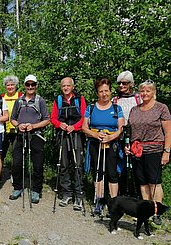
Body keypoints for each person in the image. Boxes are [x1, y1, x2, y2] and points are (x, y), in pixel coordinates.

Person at [127, 80, 171, 225]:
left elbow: (168, 132)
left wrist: (167, 151)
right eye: (142, 91)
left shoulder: (161, 108)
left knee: (154, 182)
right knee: (143, 182)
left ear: (153, 92)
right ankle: (145, 210)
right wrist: (128, 145)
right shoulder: (134, 109)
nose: (144, 93)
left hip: (155, 150)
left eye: (148, 91)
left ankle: (156, 212)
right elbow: (130, 130)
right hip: (137, 150)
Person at [82, 78, 124, 215]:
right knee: (98, 172)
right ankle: (98, 201)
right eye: (101, 91)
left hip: (112, 144)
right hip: (95, 143)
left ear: (110, 91)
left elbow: (121, 128)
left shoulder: (117, 108)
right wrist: (95, 135)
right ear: (97, 93)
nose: (104, 94)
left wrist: (111, 137)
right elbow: (84, 128)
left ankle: (114, 203)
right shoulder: (91, 108)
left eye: (106, 91)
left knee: (112, 173)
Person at [9, 75, 50, 203]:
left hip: (36, 135)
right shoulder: (19, 101)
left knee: (37, 164)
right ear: (25, 86)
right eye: (28, 85)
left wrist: (33, 126)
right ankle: (17, 187)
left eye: (33, 85)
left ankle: (36, 190)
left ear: (36, 85)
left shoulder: (40, 101)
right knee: (17, 162)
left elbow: (47, 120)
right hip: (21, 135)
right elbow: (13, 119)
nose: (30, 87)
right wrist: (18, 125)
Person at [50, 77, 86, 210]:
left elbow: (84, 117)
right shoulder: (58, 100)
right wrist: (60, 124)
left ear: (73, 86)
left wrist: (75, 127)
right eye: (63, 86)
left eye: (68, 86)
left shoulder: (79, 99)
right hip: (63, 134)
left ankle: (79, 195)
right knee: (63, 164)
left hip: (76, 134)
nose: (66, 88)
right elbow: (53, 118)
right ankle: (66, 193)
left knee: (77, 165)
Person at [113, 71, 141, 196]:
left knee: (136, 166)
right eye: (119, 83)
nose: (121, 85)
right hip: (119, 136)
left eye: (125, 83)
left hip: (136, 136)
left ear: (131, 84)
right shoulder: (115, 99)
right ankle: (122, 193)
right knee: (120, 165)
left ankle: (137, 194)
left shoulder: (138, 98)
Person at [1, 75, 23, 162]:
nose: (10, 87)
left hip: (17, 128)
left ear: (16, 86)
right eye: (8, 85)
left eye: (12, 85)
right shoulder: (1, 97)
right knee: (1, 154)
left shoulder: (21, 96)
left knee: (16, 154)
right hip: (4, 129)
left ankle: (15, 174)